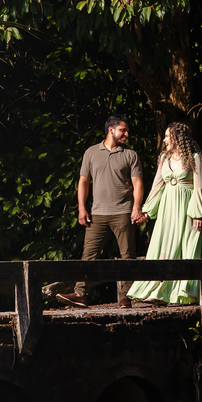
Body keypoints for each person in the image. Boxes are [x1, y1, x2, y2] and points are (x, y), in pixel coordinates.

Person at [52, 114, 147, 309]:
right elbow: (83, 182)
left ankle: (126, 297)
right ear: (111, 130)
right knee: (88, 255)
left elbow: (138, 184)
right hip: (97, 214)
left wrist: (136, 207)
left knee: (127, 256)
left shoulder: (130, 155)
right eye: (123, 130)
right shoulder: (91, 152)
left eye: (127, 131)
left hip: (123, 212)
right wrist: (81, 208)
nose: (127, 134)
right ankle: (80, 294)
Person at [127, 122, 202, 305]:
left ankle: (180, 292)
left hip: (187, 208)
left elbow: (199, 186)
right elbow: (157, 186)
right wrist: (146, 213)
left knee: (185, 247)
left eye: (167, 136)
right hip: (167, 207)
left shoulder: (194, 158)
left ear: (177, 138)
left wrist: (198, 213)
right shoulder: (164, 158)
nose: (164, 140)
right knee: (164, 245)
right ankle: (158, 289)